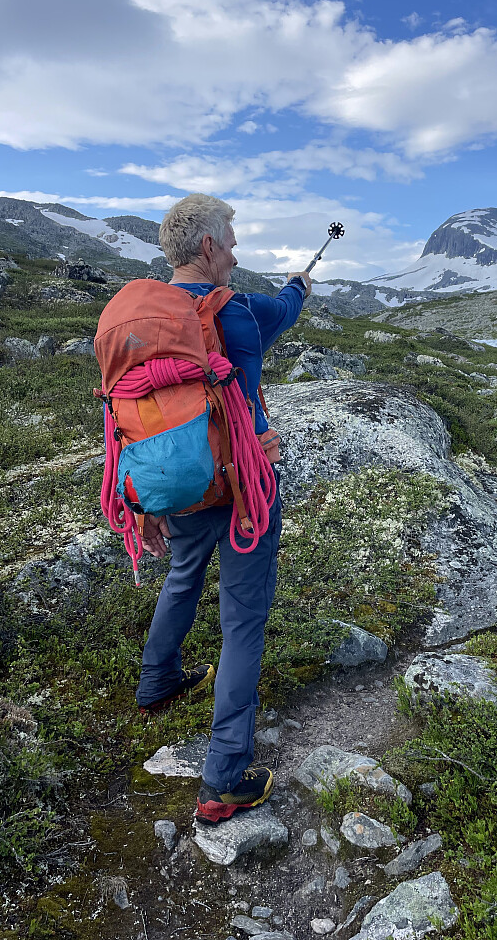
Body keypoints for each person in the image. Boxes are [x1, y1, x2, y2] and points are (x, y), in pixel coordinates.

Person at [135, 193, 311, 823]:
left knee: (182, 575)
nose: (235, 254)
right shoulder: (238, 310)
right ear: (208, 246)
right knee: (241, 622)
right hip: (244, 486)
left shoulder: (144, 319)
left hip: (179, 482)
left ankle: (157, 683)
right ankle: (224, 779)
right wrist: (299, 284)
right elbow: (286, 309)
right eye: (231, 242)